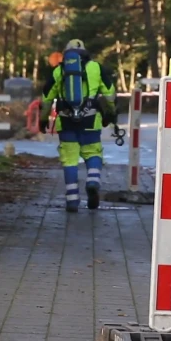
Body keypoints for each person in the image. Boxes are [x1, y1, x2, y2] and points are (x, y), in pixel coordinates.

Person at [39, 39, 117, 212]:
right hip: (90, 121)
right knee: (93, 153)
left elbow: (46, 99)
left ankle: (72, 200)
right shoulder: (96, 68)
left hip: (66, 123)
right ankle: (93, 181)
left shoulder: (59, 70)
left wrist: (43, 119)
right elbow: (110, 94)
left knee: (69, 161)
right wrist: (111, 113)